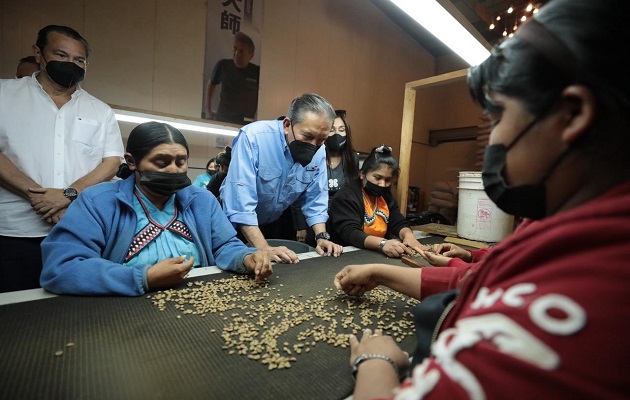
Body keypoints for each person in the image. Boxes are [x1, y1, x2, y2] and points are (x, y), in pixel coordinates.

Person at [334, 0, 630, 398]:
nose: (492, 143)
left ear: (572, 115)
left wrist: (376, 363)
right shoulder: (563, 224)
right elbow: (484, 280)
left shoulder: (593, 290)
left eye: (499, 117)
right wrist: (381, 271)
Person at [40, 122, 272, 296]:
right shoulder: (97, 202)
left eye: (181, 162)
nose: (173, 170)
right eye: (161, 163)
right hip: (120, 305)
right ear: (132, 162)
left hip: (198, 302)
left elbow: (224, 246)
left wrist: (245, 258)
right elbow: (62, 267)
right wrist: (143, 278)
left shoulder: (202, 200)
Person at [0, 25, 124, 293]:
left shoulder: (99, 110)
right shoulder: (4, 95)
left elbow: (111, 162)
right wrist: (39, 196)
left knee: (71, 312)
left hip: (78, 229)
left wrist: (67, 194)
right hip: (14, 230)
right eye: (61, 55)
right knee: (14, 312)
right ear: (38, 53)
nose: (71, 64)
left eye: (79, 60)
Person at [220, 93, 344, 263]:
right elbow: (240, 205)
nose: (313, 146)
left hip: (272, 221)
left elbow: (315, 198)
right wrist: (263, 248)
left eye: (321, 140)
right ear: (287, 125)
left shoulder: (320, 151)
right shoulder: (253, 137)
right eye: (307, 137)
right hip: (234, 226)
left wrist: (321, 236)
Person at [328, 145, 427, 258]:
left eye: (388, 180)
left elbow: (398, 221)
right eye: (377, 178)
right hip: (346, 254)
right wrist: (383, 243)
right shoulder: (346, 196)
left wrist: (409, 236)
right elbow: (350, 233)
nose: (382, 184)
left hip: (375, 252)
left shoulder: (385, 196)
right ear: (362, 174)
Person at [293, 109, 360, 245]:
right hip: (313, 220)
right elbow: (298, 194)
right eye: (332, 130)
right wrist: (300, 226)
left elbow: (354, 192)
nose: (337, 134)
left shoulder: (353, 159)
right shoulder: (314, 156)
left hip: (342, 218)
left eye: (341, 130)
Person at [203, 32, 259, 125]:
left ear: (251, 55)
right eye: (235, 49)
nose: (237, 54)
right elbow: (211, 84)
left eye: (241, 51)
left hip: (245, 122)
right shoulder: (223, 65)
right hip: (223, 118)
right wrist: (208, 110)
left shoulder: (257, 72)